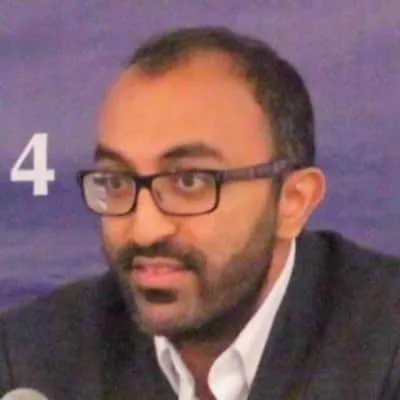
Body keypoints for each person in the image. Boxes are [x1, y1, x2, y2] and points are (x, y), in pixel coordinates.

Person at [0, 26, 399, 400]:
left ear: (293, 201)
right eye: (117, 181)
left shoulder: (385, 347)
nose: (144, 230)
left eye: (189, 182)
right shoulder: (31, 360)